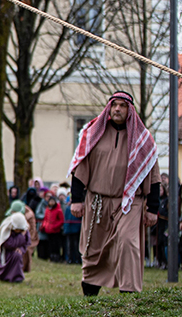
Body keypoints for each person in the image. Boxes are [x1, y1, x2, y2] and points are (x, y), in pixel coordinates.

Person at [69, 91, 162, 295]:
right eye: (114, 105)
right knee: (94, 246)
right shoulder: (93, 133)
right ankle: (90, 292)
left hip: (130, 202)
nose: (117, 109)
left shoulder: (143, 140)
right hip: (97, 201)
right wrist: (76, 199)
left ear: (130, 110)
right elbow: (79, 166)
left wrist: (152, 208)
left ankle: (129, 292)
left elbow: (153, 175)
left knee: (128, 243)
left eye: (122, 105)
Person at [0, 212, 30, 283]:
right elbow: (8, 244)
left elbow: (26, 243)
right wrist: (21, 237)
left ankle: (16, 277)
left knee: (17, 255)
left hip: (14, 252)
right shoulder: (6, 228)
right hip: (3, 252)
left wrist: (20, 249)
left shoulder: (24, 230)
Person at [37, 191, 64, 261]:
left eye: (52, 201)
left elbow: (61, 220)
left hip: (55, 230)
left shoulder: (58, 210)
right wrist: (45, 226)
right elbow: (45, 219)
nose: (51, 203)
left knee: (56, 245)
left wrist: (55, 226)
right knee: (50, 244)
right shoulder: (47, 210)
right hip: (48, 230)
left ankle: (57, 257)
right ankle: (51, 256)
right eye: (50, 201)